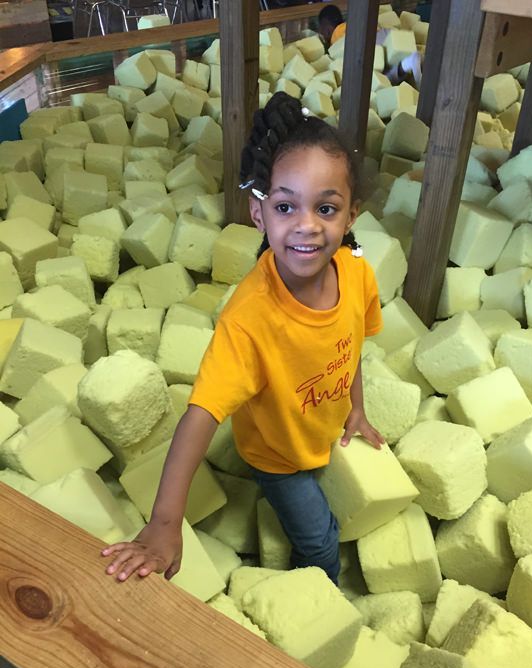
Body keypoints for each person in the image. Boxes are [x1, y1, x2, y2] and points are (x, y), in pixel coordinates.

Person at [101, 92, 385, 587]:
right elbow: (201, 415)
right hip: (278, 457)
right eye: (285, 206)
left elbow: (351, 345)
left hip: (323, 429)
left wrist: (356, 409)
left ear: (351, 216)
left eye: (326, 208)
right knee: (320, 542)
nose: (306, 225)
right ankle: (311, 599)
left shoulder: (356, 272)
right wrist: (165, 524)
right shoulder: (250, 318)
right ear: (260, 214)